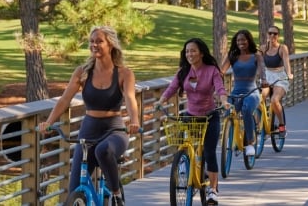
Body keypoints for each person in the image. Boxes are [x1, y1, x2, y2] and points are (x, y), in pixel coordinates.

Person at [38, 26, 140, 206]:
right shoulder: (82, 72)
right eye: (92, 41)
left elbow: (131, 100)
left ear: (111, 45)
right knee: (75, 188)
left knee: (104, 150)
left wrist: (134, 122)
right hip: (89, 129)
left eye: (99, 41)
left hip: (115, 129)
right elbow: (64, 100)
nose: (94, 45)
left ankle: (116, 193)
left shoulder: (124, 73)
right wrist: (48, 122)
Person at [156, 38, 229, 205]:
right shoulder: (183, 72)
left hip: (209, 117)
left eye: (193, 51)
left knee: (209, 153)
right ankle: (186, 167)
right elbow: (171, 88)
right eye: (187, 51)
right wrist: (161, 101)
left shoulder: (212, 70)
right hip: (190, 115)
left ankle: (213, 190)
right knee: (184, 146)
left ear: (201, 53)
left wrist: (224, 101)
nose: (190, 54)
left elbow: (220, 88)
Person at [220, 29, 266, 158]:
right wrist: (215, 81)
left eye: (243, 40)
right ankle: (232, 137)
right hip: (236, 91)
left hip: (252, 91)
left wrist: (264, 80)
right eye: (238, 40)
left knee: (246, 109)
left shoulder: (256, 56)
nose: (241, 42)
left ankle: (250, 142)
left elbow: (262, 69)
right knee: (228, 110)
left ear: (248, 41)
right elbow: (221, 71)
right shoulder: (233, 56)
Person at [259, 25, 293, 137]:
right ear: (267, 34)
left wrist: (289, 74)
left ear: (278, 36)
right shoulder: (263, 48)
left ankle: (282, 125)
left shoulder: (282, 48)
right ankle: (260, 123)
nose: (272, 35)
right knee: (259, 98)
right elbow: (257, 62)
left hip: (280, 76)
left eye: (275, 33)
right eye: (270, 33)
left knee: (274, 100)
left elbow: (286, 62)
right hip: (267, 75)